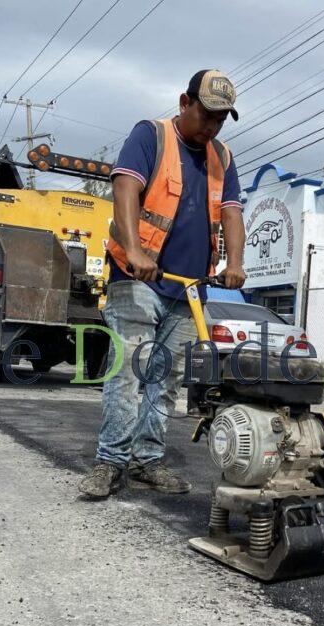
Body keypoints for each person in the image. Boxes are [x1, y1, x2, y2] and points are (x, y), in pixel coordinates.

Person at [79, 70, 247, 500]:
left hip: (189, 289)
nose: (211, 126)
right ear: (184, 102)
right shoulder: (150, 136)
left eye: (220, 119)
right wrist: (134, 251)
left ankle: (146, 461)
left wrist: (236, 263)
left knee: (165, 379)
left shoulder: (222, 158)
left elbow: (231, 213)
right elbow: (126, 188)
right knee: (129, 373)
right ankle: (110, 462)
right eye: (206, 114)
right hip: (137, 279)